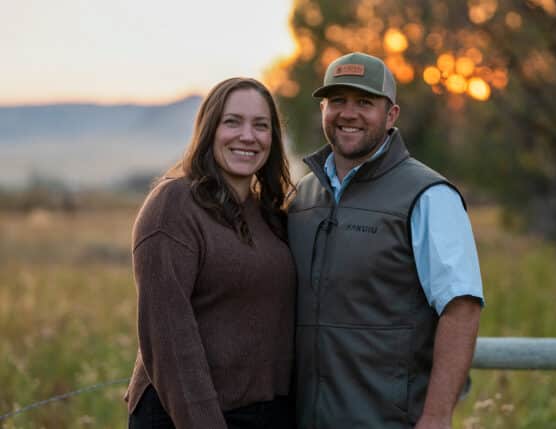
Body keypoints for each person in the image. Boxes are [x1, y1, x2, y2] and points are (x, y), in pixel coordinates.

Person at [287, 52, 484, 429]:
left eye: (364, 102)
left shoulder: (428, 195)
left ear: (391, 114)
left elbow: (462, 308)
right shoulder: (301, 197)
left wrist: (437, 416)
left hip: (390, 420)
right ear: (323, 109)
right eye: (338, 101)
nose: (349, 113)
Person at [124, 77, 297, 429]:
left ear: (272, 139)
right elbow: (168, 336)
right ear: (208, 129)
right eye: (232, 122)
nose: (247, 136)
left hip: (264, 415)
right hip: (186, 416)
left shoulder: (269, 214)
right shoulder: (173, 206)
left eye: (260, 125)